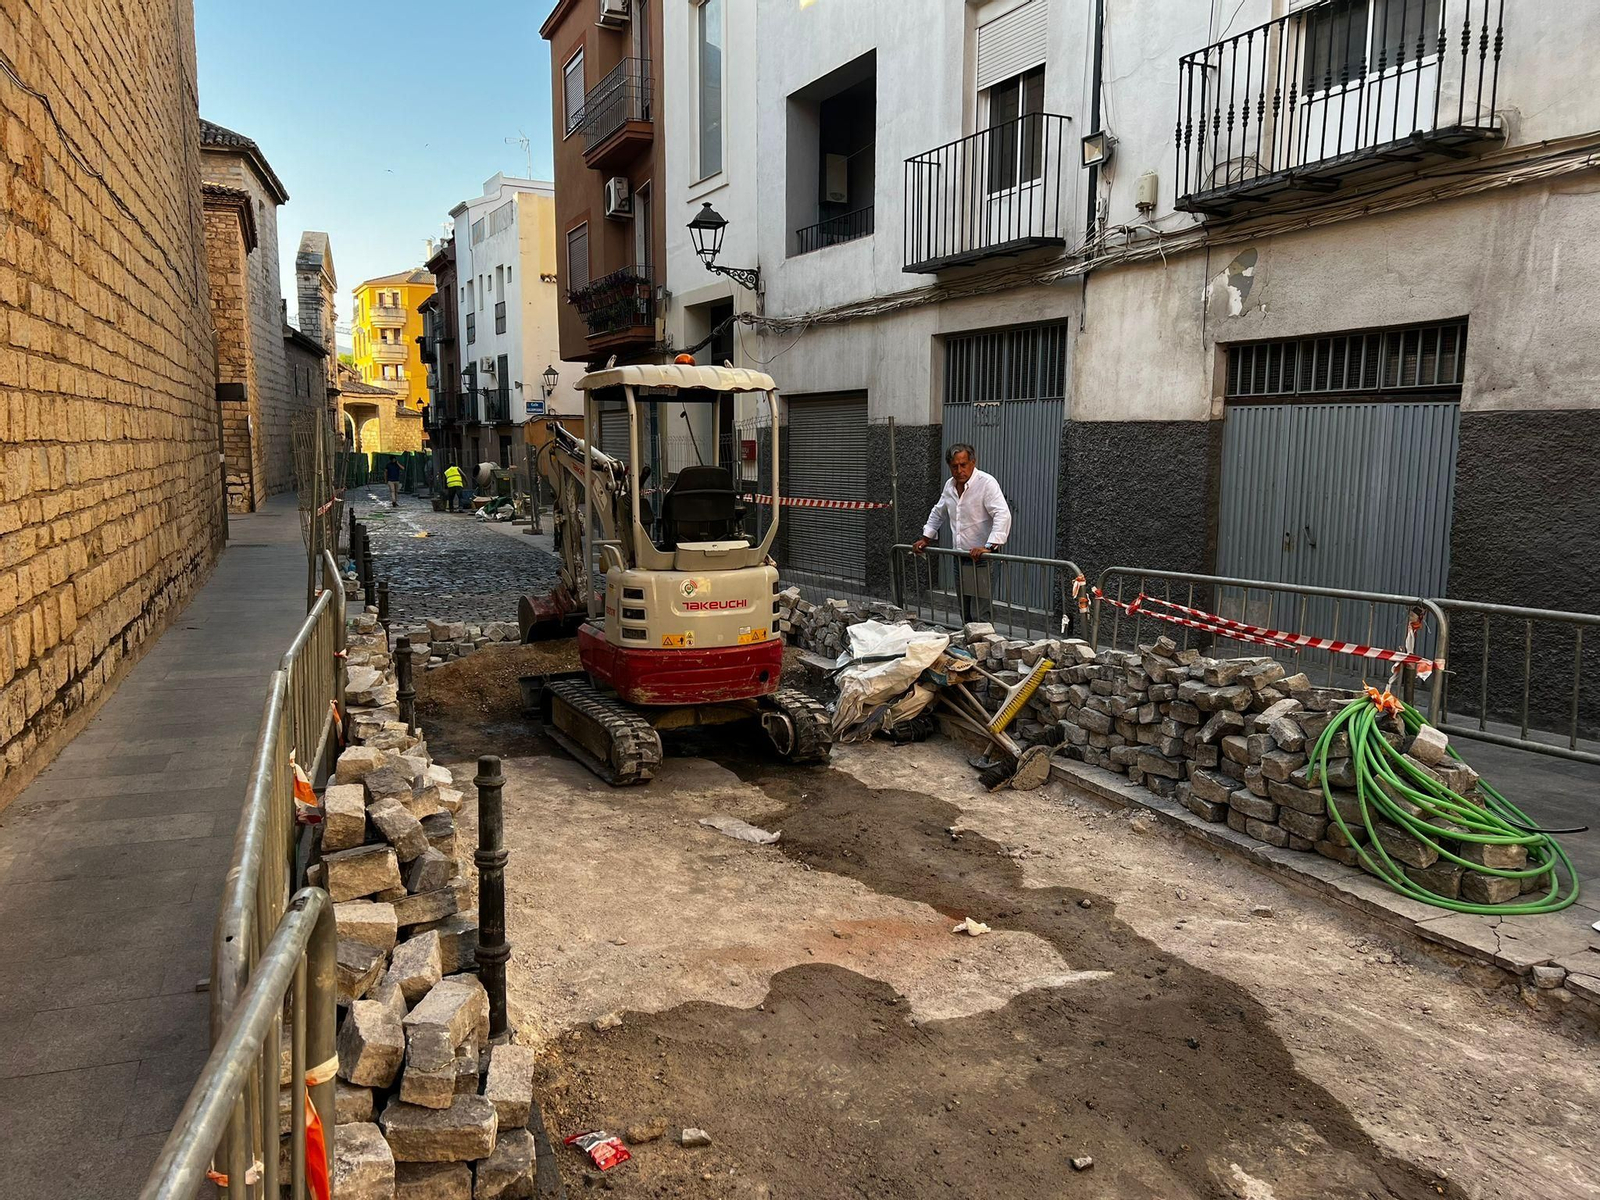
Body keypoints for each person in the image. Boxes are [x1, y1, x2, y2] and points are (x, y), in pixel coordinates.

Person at [913, 443, 1011, 622]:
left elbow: (1002, 514)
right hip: (960, 557)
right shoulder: (949, 486)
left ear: (973, 462)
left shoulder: (986, 483)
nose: (959, 471)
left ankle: (982, 639)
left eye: (963, 465)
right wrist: (926, 538)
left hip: (982, 559)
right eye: (954, 466)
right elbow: (938, 512)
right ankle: (968, 637)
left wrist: (989, 546)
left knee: (980, 613)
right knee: (964, 610)